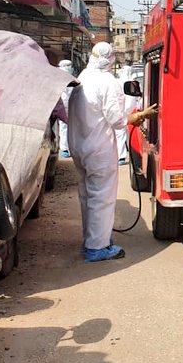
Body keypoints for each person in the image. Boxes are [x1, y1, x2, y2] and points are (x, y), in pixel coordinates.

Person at [67, 42, 129, 263]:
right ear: (110, 58)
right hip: (98, 149)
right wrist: (138, 117)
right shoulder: (107, 82)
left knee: (87, 196)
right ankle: (98, 247)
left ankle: (90, 241)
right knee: (102, 198)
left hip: (79, 146)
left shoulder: (82, 78)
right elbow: (117, 120)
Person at [57, 59, 74, 159]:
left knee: (63, 127)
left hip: (62, 106)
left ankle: (65, 148)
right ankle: (66, 148)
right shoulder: (69, 78)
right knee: (67, 127)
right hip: (66, 106)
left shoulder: (58, 77)